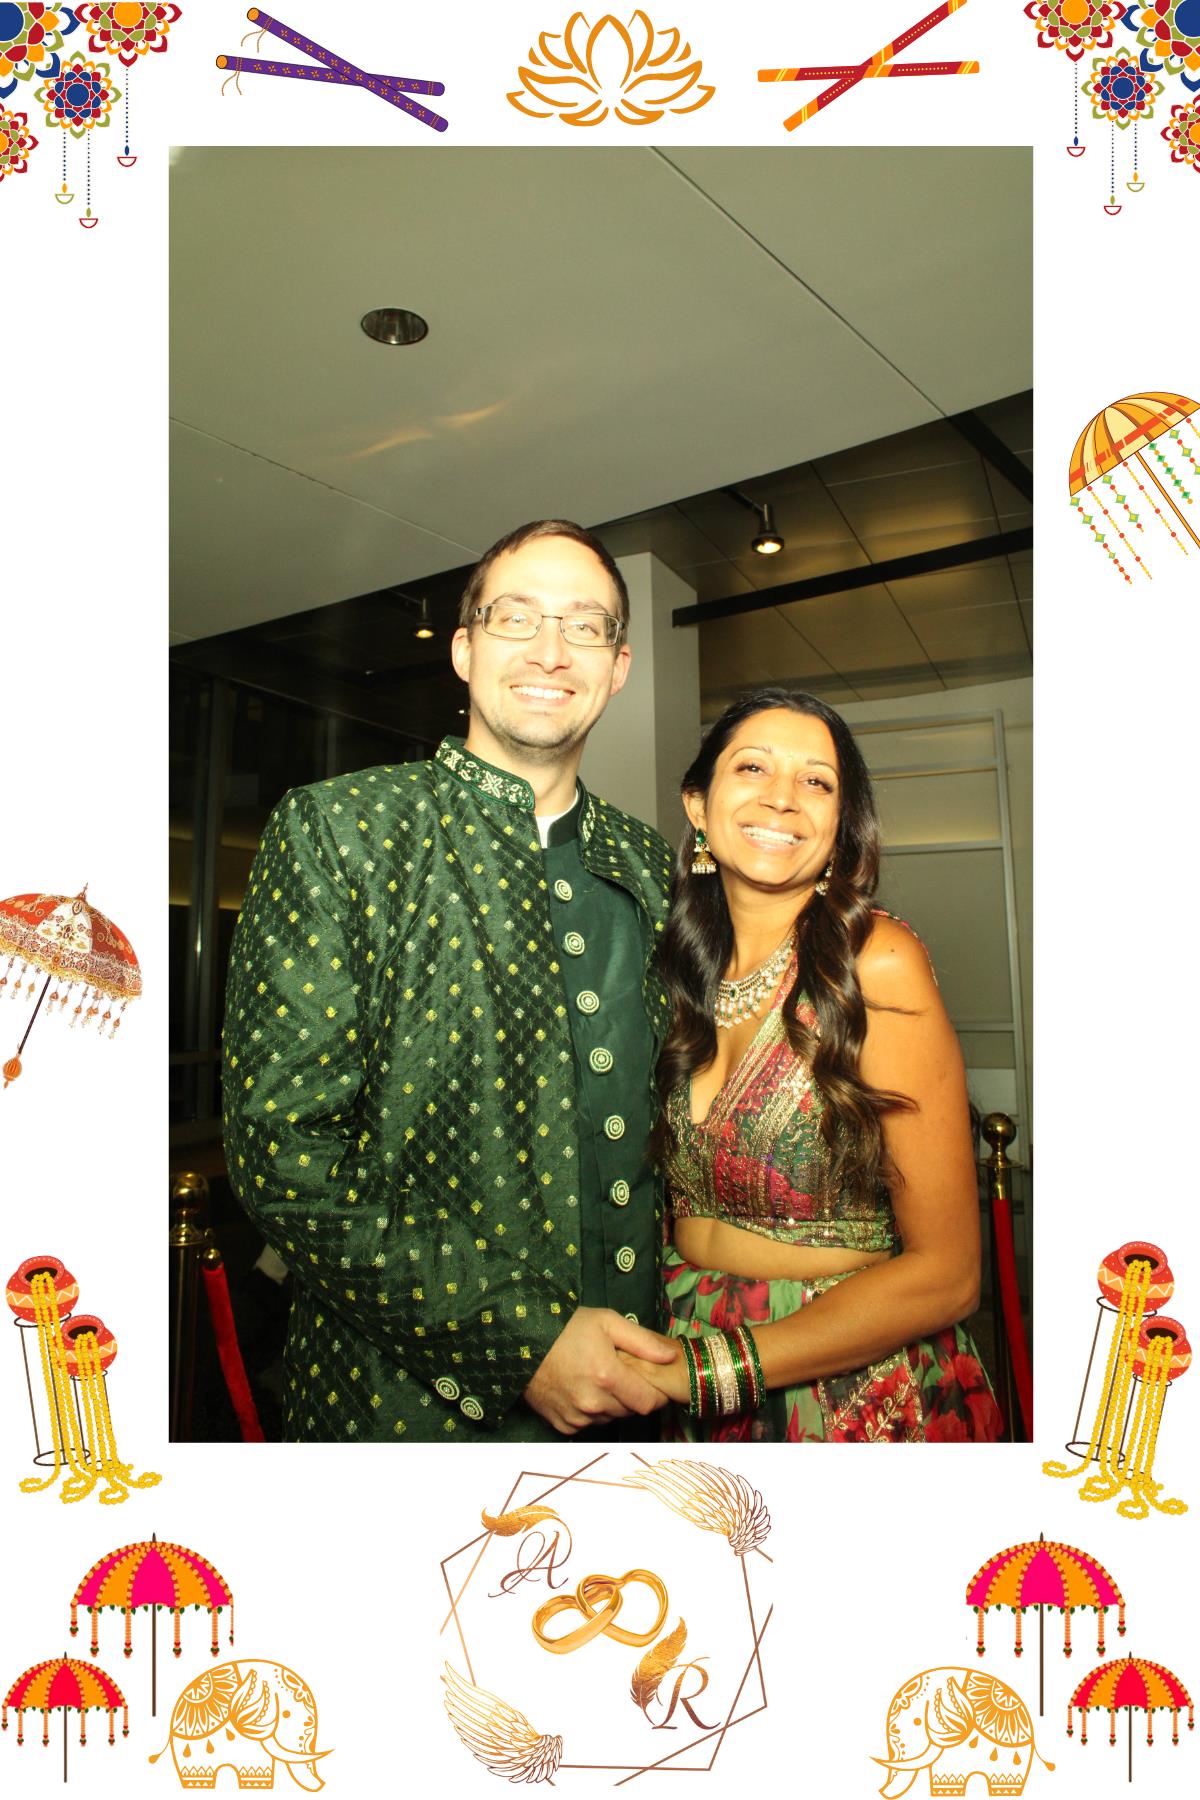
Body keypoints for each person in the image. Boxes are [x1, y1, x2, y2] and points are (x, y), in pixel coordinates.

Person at [222, 520, 678, 1442]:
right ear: (465, 650)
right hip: (402, 1415)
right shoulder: (341, 830)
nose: (551, 649)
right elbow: (282, 1152)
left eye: (585, 625)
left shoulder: (648, 861)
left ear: (618, 666)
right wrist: (521, 1342)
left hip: (643, 1394)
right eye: (517, 617)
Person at [628, 688, 1003, 1442]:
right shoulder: (673, 969)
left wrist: (706, 1371)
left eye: (816, 782)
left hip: (850, 1392)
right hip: (679, 1348)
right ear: (698, 805)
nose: (782, 798)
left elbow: (950, 1274)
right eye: (753, 767)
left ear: (841, 826)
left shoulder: (875, 963)